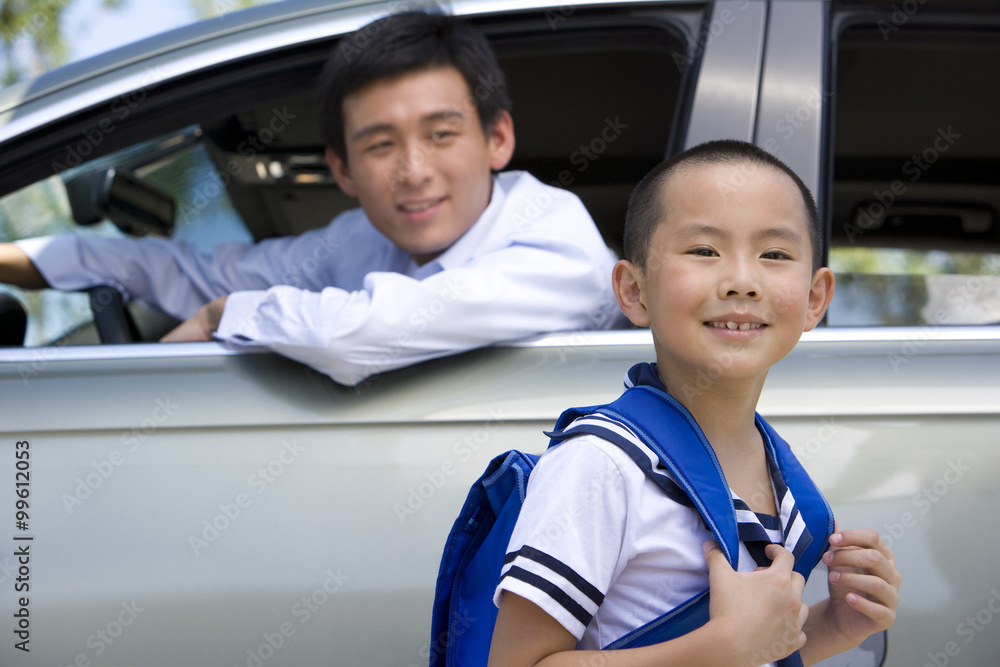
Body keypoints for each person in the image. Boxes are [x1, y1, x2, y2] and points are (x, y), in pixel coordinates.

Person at [0, 11, 620, 386]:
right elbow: (195, 270)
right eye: (379, 146)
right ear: (342, 170)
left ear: (498, 138)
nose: (413, 170)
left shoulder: (555, 239)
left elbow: (355, 334)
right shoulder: (360, 240)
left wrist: (223, 316)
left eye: (441, 134)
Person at [488, 140, 901, 666]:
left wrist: (839, 625)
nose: (742, 282)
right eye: (705, 251)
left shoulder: (775, 467)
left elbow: (761, 649)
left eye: (774, 254)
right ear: (634, 290)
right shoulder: (602, 463)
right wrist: (721, 647)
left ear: (815, 299)